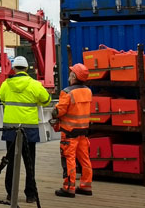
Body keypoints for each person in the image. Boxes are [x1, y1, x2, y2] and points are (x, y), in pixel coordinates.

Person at [0, 56, 51, 204]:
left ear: (14, 69)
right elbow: (46, 100)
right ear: (27, 69)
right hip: (29, 130)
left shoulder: (6, 84)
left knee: (10, 162)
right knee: (29, 163)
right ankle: (30, 195)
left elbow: (3, 99)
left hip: (10, 129)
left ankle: (10, 193)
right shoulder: (35, 85)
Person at [52, 63, 93, 198]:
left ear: (74, 76)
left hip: (69, 134)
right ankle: (86, 186)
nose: (69, 76)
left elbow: (59, 111)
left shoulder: (67, 92)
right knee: (85, 160)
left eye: (71, 73)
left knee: (69, 159)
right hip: (83, 132)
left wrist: (54, 110)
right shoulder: (88, 91)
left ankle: (68, 188)